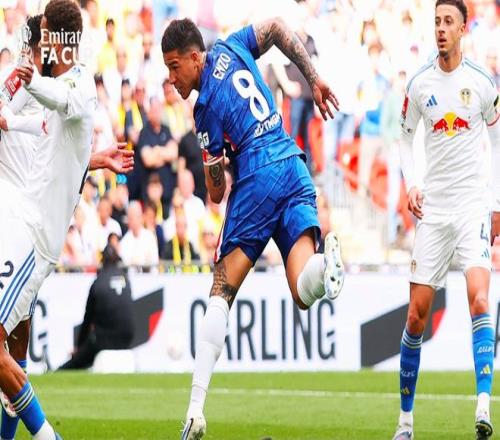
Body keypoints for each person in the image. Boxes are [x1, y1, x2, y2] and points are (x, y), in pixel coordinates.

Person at [161, 17, 344, 439]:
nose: (171, 78)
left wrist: (216, 161)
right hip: (292, 163)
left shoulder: (205, 107)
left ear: (195, 58)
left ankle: (195, 411)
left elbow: (216, 193)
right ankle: (325, 265)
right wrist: (314, 79)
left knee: (221, 289)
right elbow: (278, 27)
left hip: (259, 173)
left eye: (174, 66)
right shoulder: (233, 46)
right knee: (303, 291)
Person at [0, 3, 132, 439]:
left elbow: (61, 101)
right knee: (11, 348)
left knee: (6, 348)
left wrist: (27, 78)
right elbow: (46, 137)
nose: (36, 44)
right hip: (20, 226)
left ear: (57, 41)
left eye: (42, 35)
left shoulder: (76, 86)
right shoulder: (49, 85)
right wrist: (94, 158)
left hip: (29, 234)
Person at [393, 1, 500, 439]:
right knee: (416, 317)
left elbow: (497, 140)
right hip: (434, 211)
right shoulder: (420, 83)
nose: (440, 28)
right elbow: (404, 138)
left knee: (480, 299)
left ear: (463, 28)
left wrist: (496, 204)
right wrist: (411, 184)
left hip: (472, 206)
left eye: (448, 22)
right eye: (436, 21)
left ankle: (483, 406)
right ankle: (405, 421)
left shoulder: (482, 82)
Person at [58, 244, 134, 370]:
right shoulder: (126, 280)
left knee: (78, 360)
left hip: (104, 339)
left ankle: (59, 373)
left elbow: (87, 319)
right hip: (127, 338)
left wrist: (79, 347)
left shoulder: (99, 282)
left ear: (102, 261)